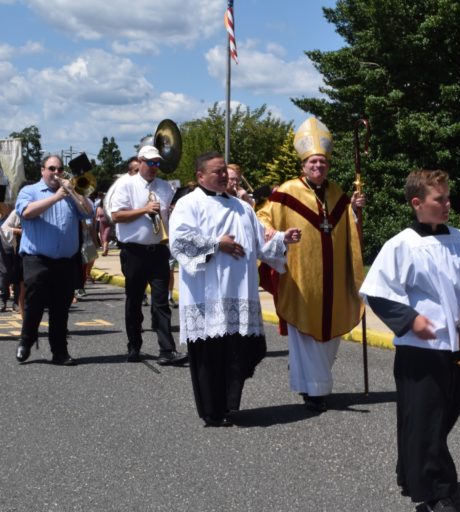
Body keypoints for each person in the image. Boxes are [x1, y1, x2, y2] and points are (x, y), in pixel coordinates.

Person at [360, 170, 460, 512]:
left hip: (456, 344)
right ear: (418, 203)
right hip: (419, 349)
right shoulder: (401, 245)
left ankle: (414, 473)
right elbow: (376, 293)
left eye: (448, 197)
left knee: (445, 414)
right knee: (425, 419)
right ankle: (436, 492)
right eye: (440, 199)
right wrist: (410, 319)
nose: (447, 204)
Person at [170, 152, 300, 427]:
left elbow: (261, 242)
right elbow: (180, 244)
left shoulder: (244, 208)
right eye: (217, 171)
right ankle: (212, 412)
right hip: (208, 295)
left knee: (242, 352)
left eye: (224, 171)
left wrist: (281, 239)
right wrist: (218, 244)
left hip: (240, 294)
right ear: (200, 176)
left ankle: (229, 404)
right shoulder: (188, 204)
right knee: (209, 357)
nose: (223, 175)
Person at [257, 117, 365, 412]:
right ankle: (313, 391)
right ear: (303, 165)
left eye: (323, 163)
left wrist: (355, 212)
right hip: (301, 277)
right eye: (313, 163)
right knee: (305, 332)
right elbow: (262, 219)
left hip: (334, 277)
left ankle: (315, 382)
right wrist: (274, 234)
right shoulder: (287, 193)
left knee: (331, 331)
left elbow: (348, 229)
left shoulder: (337, 193)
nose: (318, 167)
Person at [109, 145, 187, 365]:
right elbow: (116, 216)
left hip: (159, 250)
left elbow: (169, 217)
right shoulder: (126, 184)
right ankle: (134, 346)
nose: (154, 167)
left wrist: (171, 214)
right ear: (140, 161)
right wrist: (144, 209)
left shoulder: (164, 187)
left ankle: (167, 350)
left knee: (161, 302)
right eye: (150, 163)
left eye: (157, 164)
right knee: (134, 301)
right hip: (134, 251)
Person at [14, 154, 92, 365]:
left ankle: (59, 351)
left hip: (65, 261)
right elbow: (26, 212)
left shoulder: (71, 193)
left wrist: (76, 191)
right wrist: (56, 197)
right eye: (51, 169)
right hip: (37, 259)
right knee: (35, 303)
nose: (56, 173)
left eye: (59, 169)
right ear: (42, 170)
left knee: (61, 307)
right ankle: (26, 340)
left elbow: (88, 212)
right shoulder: (29, 191)